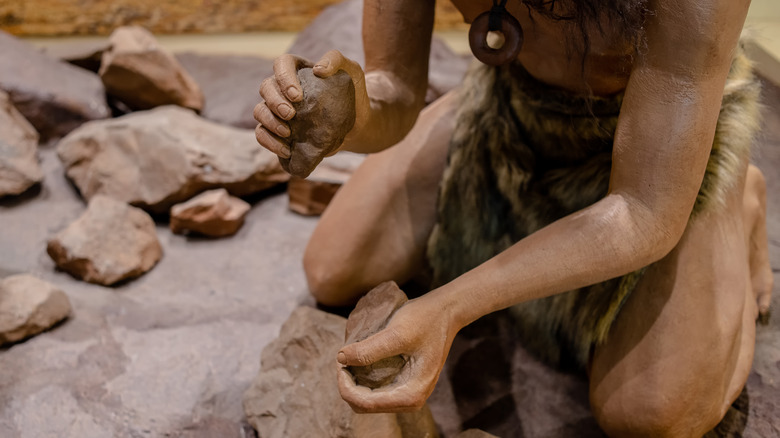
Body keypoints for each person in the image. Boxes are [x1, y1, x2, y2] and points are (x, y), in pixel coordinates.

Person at [253, 0, 773, 435]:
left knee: (653, 414)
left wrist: (450, 308)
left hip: (663, 152)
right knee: (334, 267)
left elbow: (644, 210)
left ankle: (739, 195)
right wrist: (352, 111)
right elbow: (398, 87)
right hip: (513, 103)